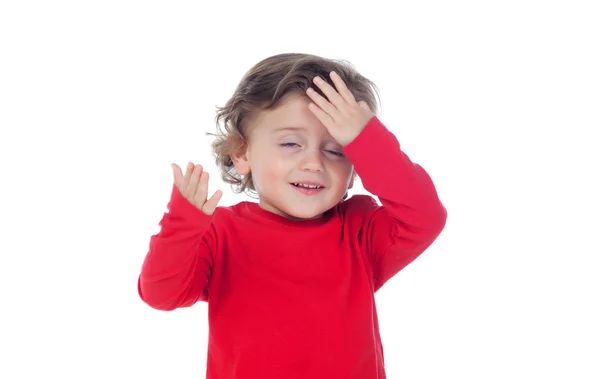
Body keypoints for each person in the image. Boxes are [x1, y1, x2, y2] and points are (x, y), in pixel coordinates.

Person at [137, 53, 447, 378]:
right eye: (290, 143)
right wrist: (183, 225)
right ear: (242, 153)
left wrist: (366, 139)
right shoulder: (220, 233)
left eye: (335, 150)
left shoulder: (360, 230)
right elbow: (161, 294)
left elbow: (425, 217)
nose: (314, 162)